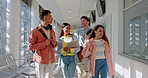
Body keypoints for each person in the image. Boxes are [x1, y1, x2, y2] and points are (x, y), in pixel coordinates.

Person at [28, 10, 57, 78]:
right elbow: (30, 46)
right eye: (50, 16)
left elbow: (54, 45)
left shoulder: (52, 31)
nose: (52, 18)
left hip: (51, 59)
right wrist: (44, 44)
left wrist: (54, 43)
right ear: (45, 17)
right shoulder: (35, 31)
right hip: (40, 60)